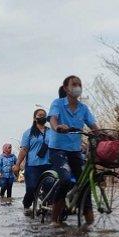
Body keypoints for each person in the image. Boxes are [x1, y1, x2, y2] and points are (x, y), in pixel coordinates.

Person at [47, 75, 99, 223]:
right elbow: (53, 119)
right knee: (66, 179)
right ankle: (54, 221)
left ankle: (89, 222)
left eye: (79, 84)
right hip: (58, 150)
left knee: (85, 182)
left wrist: (104, 135)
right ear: (66, 88)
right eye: (74, 84)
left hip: (75, 151)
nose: (77, 87)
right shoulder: (57, 103)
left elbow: (93, 126)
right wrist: (57, 126)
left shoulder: (83, 108)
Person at [15, 109, 52, 214]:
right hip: (33, 165)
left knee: (50, 187)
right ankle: (27, 205)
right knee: (31, 187)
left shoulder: (51, 132)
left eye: (44, 115)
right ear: (35, 118)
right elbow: (24, 150)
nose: (42, 117)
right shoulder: (28, 133)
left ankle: (47, 207)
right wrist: (17, 164)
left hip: (48, 164)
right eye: (40, 115)